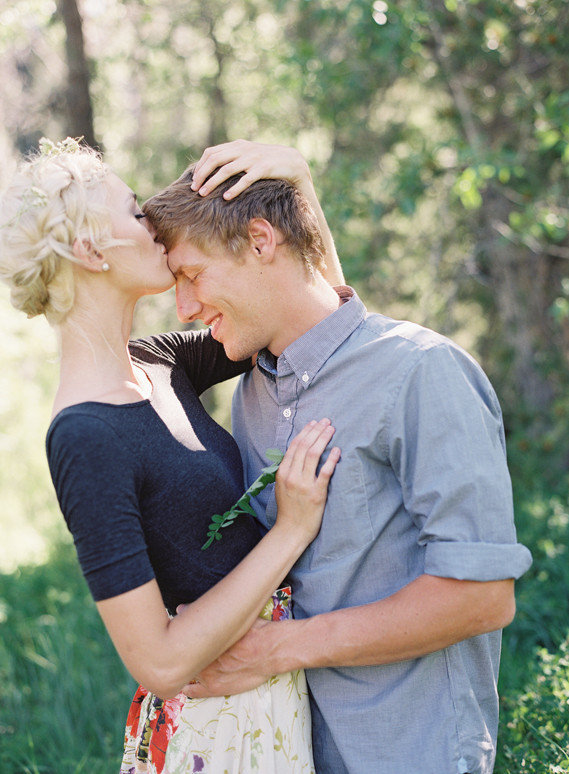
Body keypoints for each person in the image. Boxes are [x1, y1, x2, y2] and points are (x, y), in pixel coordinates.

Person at [143, 139, 534, 774]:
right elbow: (318, 319)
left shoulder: (422, 372)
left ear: (261, 241)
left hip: (410, 753)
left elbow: (483, 598)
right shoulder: (254, 393)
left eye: (192, 275)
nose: (184, 309)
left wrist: (281, 648)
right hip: (290, 751)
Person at [0, 137, 343, 774]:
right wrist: (291, 531)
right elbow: (158, 663)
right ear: (90, 250)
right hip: (213, 734)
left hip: (274, 700)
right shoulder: (82, 437)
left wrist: (300, 186)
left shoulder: (161, 362)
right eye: (135, 213)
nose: (154, 226)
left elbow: (318, 315)